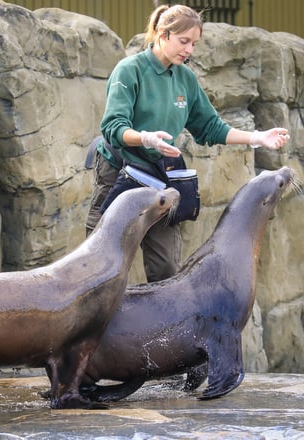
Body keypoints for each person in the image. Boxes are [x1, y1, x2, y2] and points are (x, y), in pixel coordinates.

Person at [86, 4, 290, 283]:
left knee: (166, 266)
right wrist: (146, 138)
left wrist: (256, 137)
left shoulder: (185, 79)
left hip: (158, 176)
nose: (189, 50)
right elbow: (113, 127)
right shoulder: (130, 70)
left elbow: (210, 127)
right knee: (101, 263)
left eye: (194, 43)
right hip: (119, 171)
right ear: (163, 33)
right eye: (184, 41)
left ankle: (160, 325)